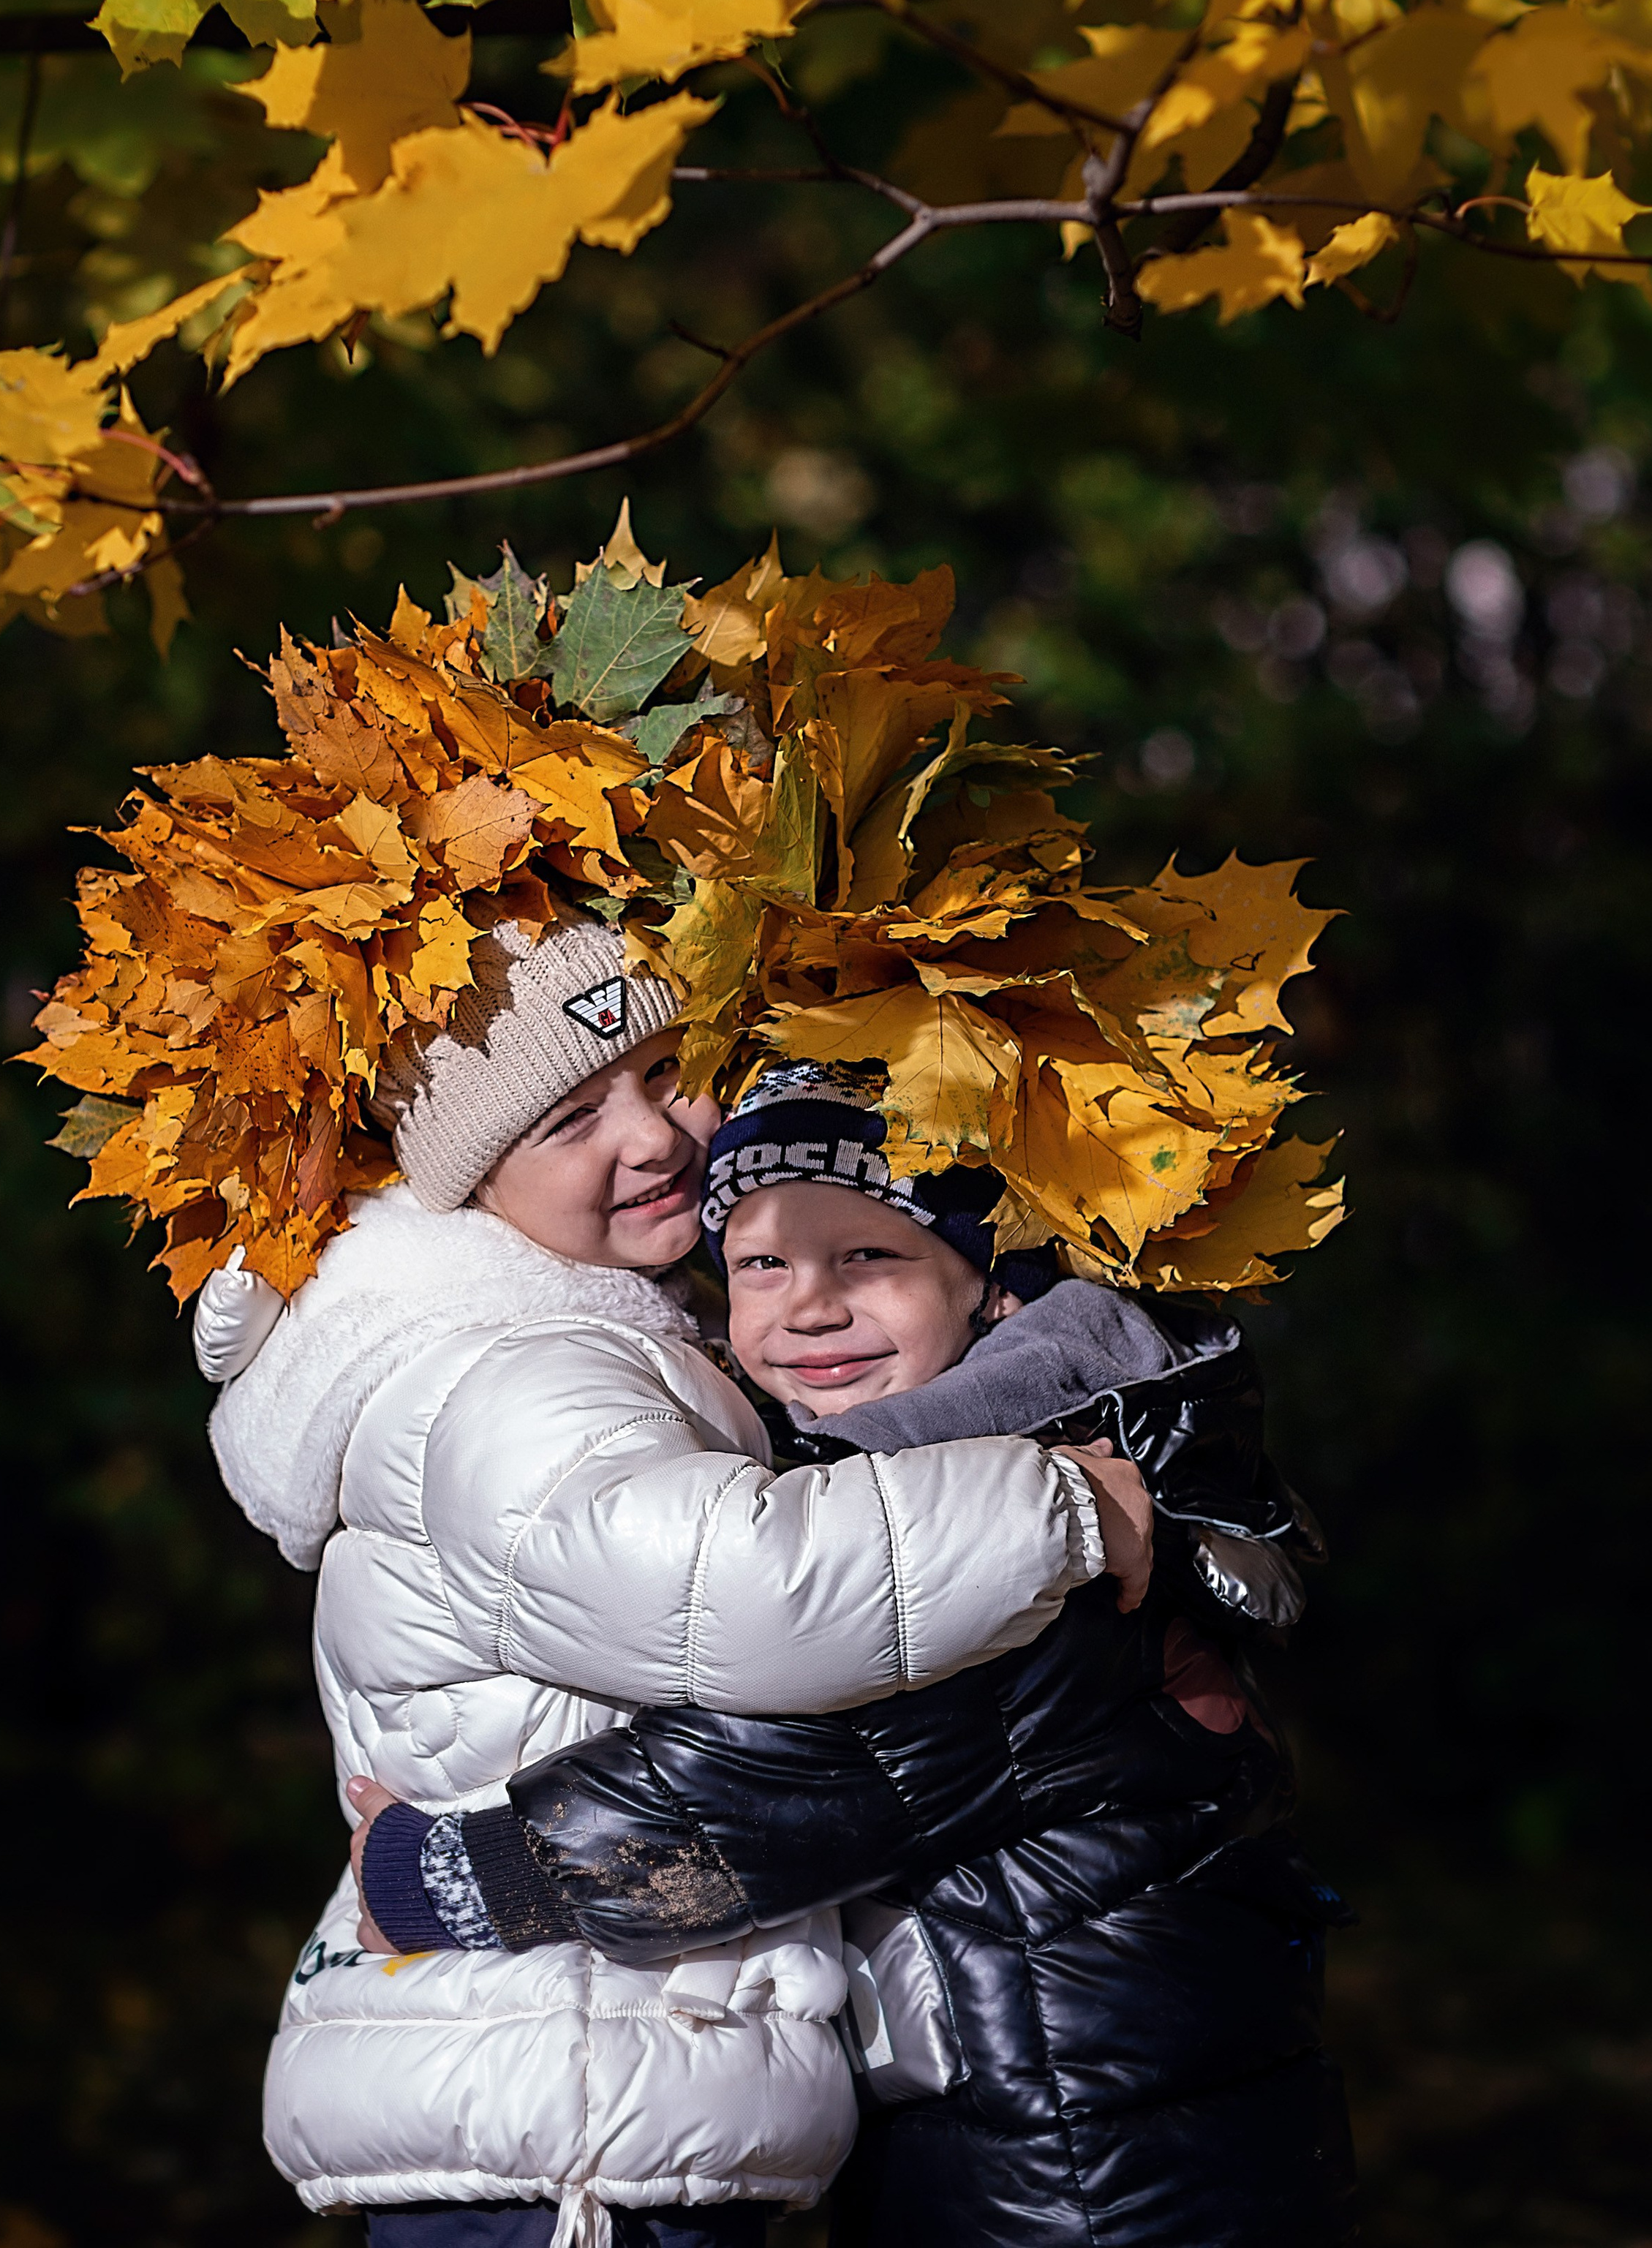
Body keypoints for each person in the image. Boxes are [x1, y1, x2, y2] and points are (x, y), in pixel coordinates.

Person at [197, 931, 1150, 2248]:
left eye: (667, 1070)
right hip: (569, 2113)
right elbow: (749, 1591)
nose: (651, 1137)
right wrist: (1058, 1504)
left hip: (596, 2083)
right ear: (473, 1174)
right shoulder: (512, 1376)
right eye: (574, 1117)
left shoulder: (601, 1337)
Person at [348, 1063, 1357, 2248]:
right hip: (1079, 2116)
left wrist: (454, 1873)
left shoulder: (1006, 1537)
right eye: (761, 1264)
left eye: (870, 1259)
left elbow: (777, 1787)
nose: (807, 1307)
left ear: (997, 1294)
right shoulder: (977, 1484)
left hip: (1082, 2171)